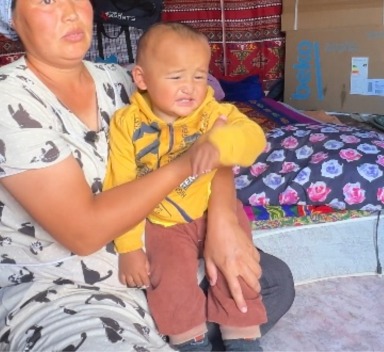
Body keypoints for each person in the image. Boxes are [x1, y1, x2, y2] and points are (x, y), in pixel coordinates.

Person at [0, 0, 294, 352]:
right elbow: (83, 233)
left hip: (154, 253)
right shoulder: (2, 99)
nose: (71, 13)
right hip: (63, 286)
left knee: (269, 279)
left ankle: (178, 326)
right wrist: (188, 163)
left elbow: (211, 128)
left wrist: (223, 219)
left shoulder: (118, 80)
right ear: (12, 18)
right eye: (47, 0)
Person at [104, 23, 268, 352]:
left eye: (199, 76)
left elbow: (254, 138)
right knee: (170, 281)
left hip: (214, 208)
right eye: (176, 76)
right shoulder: (127, 124)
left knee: (238, 271)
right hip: (163, 219)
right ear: (142, 79)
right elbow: (120, 185)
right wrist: (128, 247)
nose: (190, 88)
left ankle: (243, 336)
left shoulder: (214, 113)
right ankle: (189, 340)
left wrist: (222, 142)